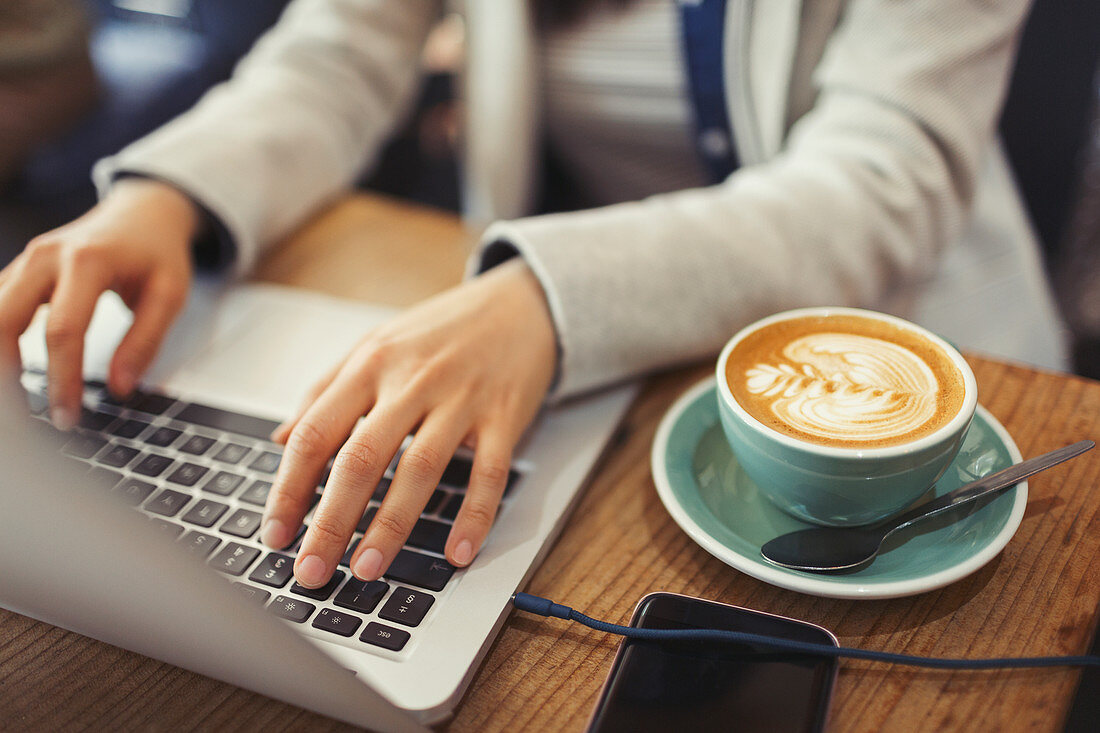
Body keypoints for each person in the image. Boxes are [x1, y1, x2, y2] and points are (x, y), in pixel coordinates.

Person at [0, 0, 1067, 590]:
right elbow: (339, 52)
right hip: (616, 360)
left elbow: (880, 178)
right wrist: (165, 193)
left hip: (911, 367)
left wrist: (544, 299)